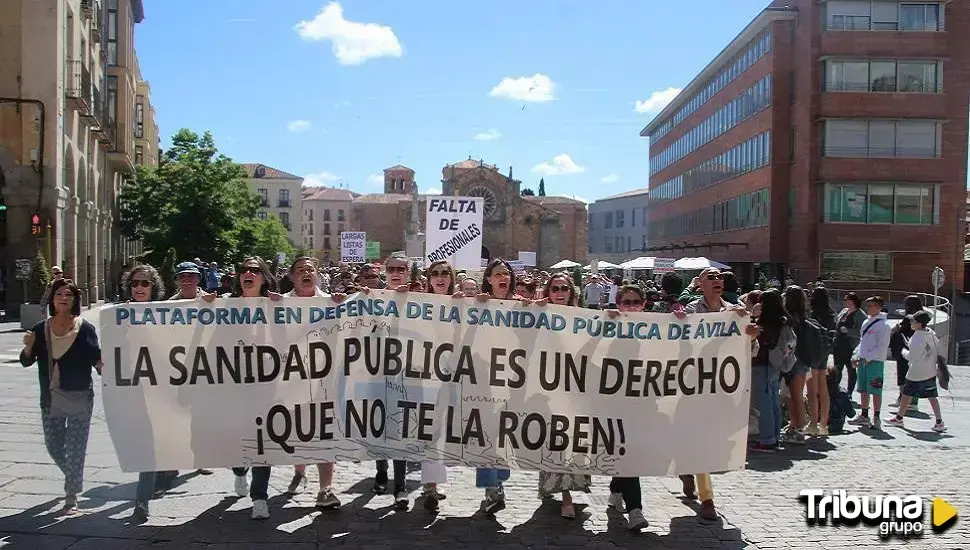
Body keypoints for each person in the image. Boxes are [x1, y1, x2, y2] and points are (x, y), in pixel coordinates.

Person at [204, 256, 282, 519]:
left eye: (255, 270)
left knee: (263, 440)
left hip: (266, 383)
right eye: (244, 270)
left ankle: (260, 496)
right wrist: (202, 307)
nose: (248, 273)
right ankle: (239, 471)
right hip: (234, 383)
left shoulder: (276, 306)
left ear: (264, 277)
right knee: (236, 438)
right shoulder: (226, 304)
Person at [20, 278, 101, 515]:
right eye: (59, 294)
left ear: (75, 300)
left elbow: (96, 356)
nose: (63, 298)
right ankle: (75, 476)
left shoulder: (85, 328)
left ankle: (71, 495)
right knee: (54, 446)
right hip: (51, 397)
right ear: (52, 300)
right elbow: (26, 361)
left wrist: (106, 368)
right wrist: (27, 347)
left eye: (68, 295)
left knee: (76, 448)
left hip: (79, 396)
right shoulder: (39, 328)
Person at [535, 273, 591, 519]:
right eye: (555, 288)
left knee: (571, 439)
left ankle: (566, 493)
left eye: (564, 288)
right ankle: (557, 491)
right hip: (547, 387)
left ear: (571, 292)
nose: (559, 292)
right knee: (552, 440)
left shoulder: (585, 317)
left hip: (575, 387)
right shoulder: (540, 314)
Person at [121, 265, 171, 520]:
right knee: (144, 443)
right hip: (132, 391)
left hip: (161, 391)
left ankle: (142, 500)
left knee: (151, 442)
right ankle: (157, 480)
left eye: (145, 283)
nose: (139, 287)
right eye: (135, 283)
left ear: (154, 287)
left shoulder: (167, 314)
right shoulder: (117, 315)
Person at [605, 285, 651, 530]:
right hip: (615, 400)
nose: (631, 306)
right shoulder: (608, 325)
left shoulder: (660, 329)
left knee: (629, 451)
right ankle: (635, 509)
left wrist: (681, 324)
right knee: (627, 452)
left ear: (643, 304)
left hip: (644, 400)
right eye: (626, 302)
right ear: (618, 305)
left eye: (636, 302)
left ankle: (616, 489)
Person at [884, 311, 946, 432]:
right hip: (930, 371)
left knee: (906, 394)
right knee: (932, 397)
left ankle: (899, 418)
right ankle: (939, 421)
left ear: (919, 323)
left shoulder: (918, 337)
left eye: (913, 321)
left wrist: (903, 351)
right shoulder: (931, 334)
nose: (911, 323)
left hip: (916, 372)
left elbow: (912, 356)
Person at [849, 296, 891, 430]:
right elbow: (862, 342)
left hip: (875, 361)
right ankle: (864, 414)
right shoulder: (866, 322)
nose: (868, 308)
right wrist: (856, 355)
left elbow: (882, 345)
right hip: (862, 360)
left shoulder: (883, 325)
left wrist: (869, 357)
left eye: (871, 305)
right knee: (863, 389)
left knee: (875, 390)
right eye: (868, 305)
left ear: (878, 307)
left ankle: (876, 417)